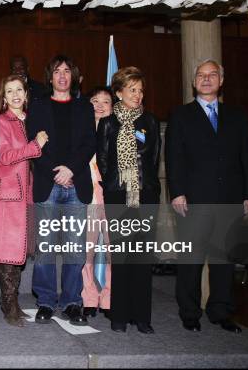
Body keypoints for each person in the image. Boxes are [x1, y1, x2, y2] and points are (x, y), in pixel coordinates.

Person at [166, 59, 248, 334]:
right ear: (194, 81)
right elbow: (174, 158)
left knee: (223, 260)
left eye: (212, 75)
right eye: (201, 75)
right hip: (192, 200)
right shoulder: (181, 115)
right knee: (191, 261)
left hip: (230, 199)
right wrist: (177, 192)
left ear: (221, 81)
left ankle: (221, 311)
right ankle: (190, 312)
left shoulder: (237, 115)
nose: (206, 79)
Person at [26, 55, 96, 326]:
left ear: (74, 77)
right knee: (44, 246)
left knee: (75, 247)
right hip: (48, 183)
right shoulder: (39, 106)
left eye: (67, 71)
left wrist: (71, 170)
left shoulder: (83, 107)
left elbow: (89, 144)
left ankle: (71, 302)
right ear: (50, 77)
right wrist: (57, 171)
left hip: (76, 185)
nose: (63, 75)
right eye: (57, 71)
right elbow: (34, 144)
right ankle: (45, 301)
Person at [96, 67, 161, 334]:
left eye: (140, 89)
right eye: (132, 89)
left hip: (145, 196)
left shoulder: (151, 121)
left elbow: (154, 159)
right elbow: (102, 160)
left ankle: (142, 317)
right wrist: (118, 183)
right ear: (119, 92)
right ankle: (119, 316)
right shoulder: (108, 123)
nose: (137, 94)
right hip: (117, 196)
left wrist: (142, 185)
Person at [0, 75, 47, 326]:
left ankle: (12, 301)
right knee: (7, 247)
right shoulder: (1, 121)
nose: (15, 95)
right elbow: (4, 156)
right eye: (9, 90)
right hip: (7, 191)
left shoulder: (31, 120)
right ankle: (9, 303)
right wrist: (35, 146)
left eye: (19, 90)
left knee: (20, 247)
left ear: (26, 94)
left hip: (26, 190)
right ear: (3, 97)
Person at [81, 86, 114, 317]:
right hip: (88, 194)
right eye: (95, 100)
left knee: (114, 250)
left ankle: (110, 298)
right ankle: (89, 297)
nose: (100, 106)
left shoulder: (119, 131)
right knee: (87, 250)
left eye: (106, 102)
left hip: (113, 195)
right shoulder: (81, 132)